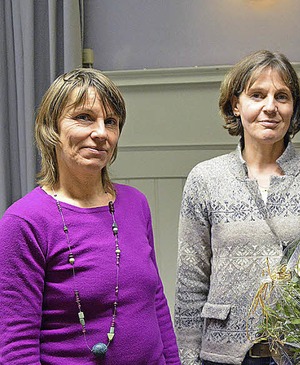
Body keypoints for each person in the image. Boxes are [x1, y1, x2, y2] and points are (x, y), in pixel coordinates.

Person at [0, 68, 180, 364]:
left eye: (111, 122)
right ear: (51, 127)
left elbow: (155, 303)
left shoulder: (135, 204)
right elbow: (17, 347)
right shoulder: (24, 222)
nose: (101, 133)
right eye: (84, 117)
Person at [174, 50, 300, 365]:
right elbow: (191, 283)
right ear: (236, 104)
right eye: (257, 95)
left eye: (282, 97)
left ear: (294, 108)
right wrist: (188, 359)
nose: (270, 107)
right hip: (222, 354)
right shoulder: (205, 179)